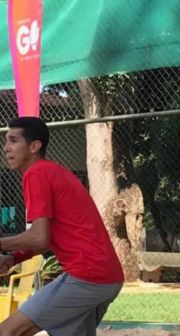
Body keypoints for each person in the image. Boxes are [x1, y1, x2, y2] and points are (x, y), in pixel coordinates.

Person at [0, 117, 124, 336]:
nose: (6, 147)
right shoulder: (50, 172)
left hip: (87, 277)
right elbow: (44, 240)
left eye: (12, 140)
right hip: (107, 277)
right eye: (6, 141)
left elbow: (38, 238)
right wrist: (14, 258)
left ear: (34, 146)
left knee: (8, 331)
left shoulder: (36, 173)